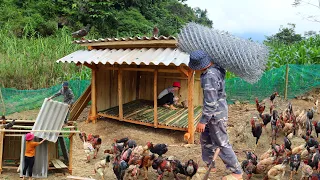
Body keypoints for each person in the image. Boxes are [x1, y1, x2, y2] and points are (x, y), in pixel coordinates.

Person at [188, 50, 243, 180]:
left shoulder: (209, 76)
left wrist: (203, 120)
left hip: (216, 114)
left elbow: (211, 102)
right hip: (213, 112)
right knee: (205, 138)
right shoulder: (215, 67)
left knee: (222, 142)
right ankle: (210, 164)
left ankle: (237, 171)